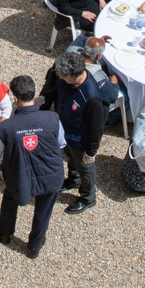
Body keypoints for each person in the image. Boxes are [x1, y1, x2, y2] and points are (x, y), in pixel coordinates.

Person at [0, 74, 65, 256]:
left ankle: (4, 232)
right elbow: (61, 143)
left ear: (15, 98)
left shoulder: (6, 128)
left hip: (19, 174)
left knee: (10, 200)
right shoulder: (52, 118)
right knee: (44, 210)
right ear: (33, 94)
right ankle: (34, 246)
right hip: (50, 173)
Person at [45, 49, 103, 215]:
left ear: (74, 75)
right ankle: (74, 179)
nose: (61, 79)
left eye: (64, 77)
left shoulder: (91, 97)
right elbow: (57, 90)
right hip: (66, 133)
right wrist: (44, 98)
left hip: (80, 139)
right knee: (71, 157)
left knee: (85, 167)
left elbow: (96, 127)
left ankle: (88, 197)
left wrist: (91, 152)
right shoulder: (67, 80)